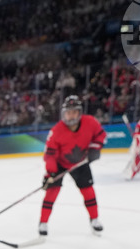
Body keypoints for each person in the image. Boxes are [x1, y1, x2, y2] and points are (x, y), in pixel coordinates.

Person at [38, 96, 106, 237]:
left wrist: (95, 148)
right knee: (51, 193)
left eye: (74, 112)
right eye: (68, 112)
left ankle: (94, 219)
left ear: (79, 113)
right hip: (59, 164)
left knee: (88, 191)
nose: (71, 115)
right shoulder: (57, 131)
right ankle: (43, 222)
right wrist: (50, 173)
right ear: (63, 113)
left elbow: (101, 135)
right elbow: (49, 155)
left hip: (80, 162)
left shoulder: (90, 122)